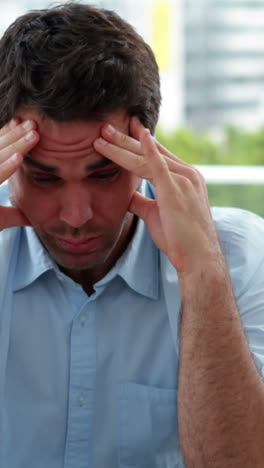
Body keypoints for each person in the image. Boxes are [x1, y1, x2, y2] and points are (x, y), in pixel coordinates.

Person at [0, 3, 263, 467]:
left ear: (150, 152)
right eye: (44, 178)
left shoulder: (238, 256)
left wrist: (203, 276)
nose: (77, 215)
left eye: (104, 174)